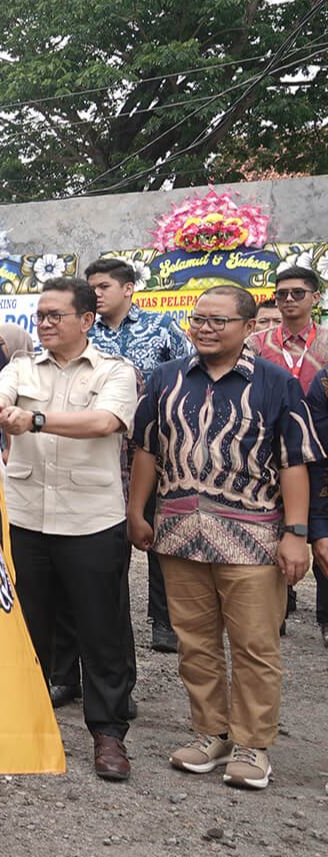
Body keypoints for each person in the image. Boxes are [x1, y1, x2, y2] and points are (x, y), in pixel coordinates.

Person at [130, 285, 320, 790]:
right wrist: (136, 511)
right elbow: (147, 449)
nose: (206, 328)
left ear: (248, 326)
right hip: (180, 531)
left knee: (255, 644)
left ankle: (253, 745)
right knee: (194, 642)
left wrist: (296, 534)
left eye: (219, 320)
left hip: (253, 535)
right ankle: (209, 732)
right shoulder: (166, 378)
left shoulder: (277, 384)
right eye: (199, 320)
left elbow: (294, 462)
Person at [0, 278, 141, 780]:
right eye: (41, 315)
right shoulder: (19, 366)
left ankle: (108, 734)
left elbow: (103, 423)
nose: (46, 323)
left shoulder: (116, 371)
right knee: (29, 624)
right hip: (27, 517)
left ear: (86, 320)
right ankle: (26, 723)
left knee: (102, 630)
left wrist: (30, 421)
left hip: (91, 520)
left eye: (56, 315)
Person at [87, 257, 193, 654]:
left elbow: (187, 375)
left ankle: (164, 620)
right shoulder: (85, 333)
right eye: (92, 288)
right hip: (102, 449)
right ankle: (108, 624)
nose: (96, 294)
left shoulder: (162, 328)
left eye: (103, 287)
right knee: (107, 536)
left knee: (156, 530)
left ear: (128, 288)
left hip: (155, 449)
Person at [246, 268, 328, 644]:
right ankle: (276, 613)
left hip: (324, 451)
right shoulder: (257, 344)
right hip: (274, 451)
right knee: (278, 529)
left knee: (323, 533)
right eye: (281, 295)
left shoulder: (327, 342)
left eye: (298, 293)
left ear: (315, 298)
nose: (289, 300)